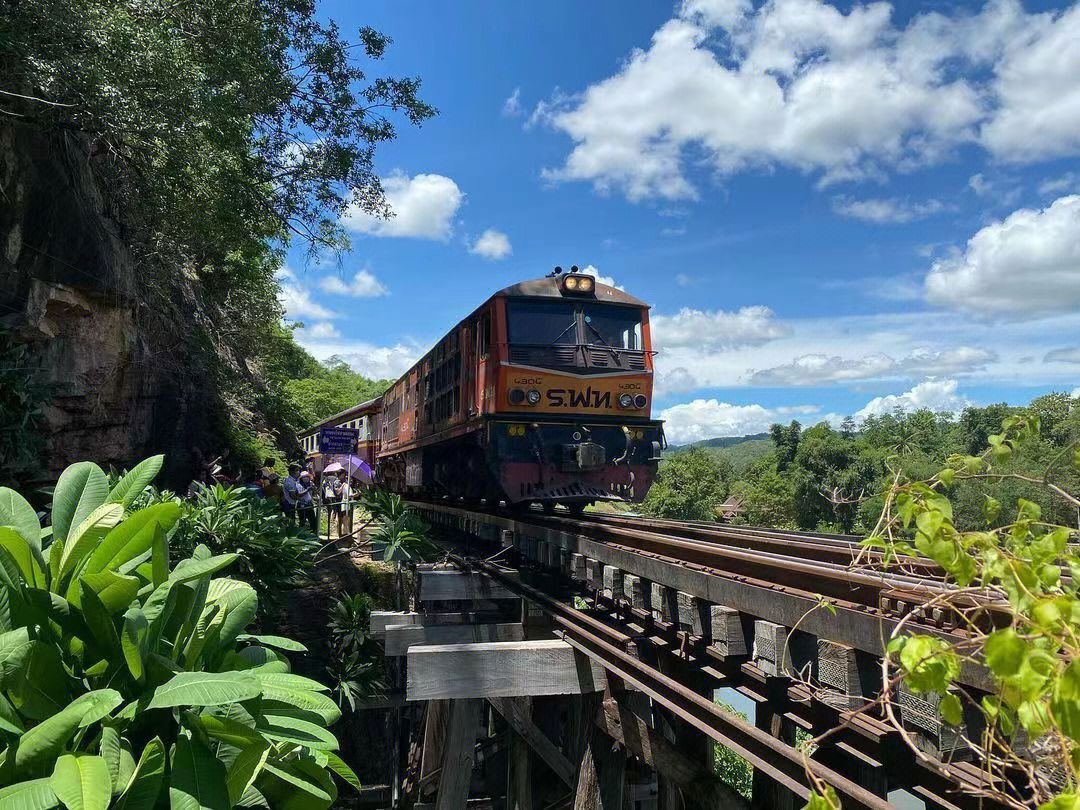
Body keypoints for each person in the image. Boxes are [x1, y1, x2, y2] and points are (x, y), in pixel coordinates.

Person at [335, 470, 353, 539]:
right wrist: (342, 486)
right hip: (338, 502)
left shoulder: (344, 483)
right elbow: (337, 492)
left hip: (343, 502)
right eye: (343, 475)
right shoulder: (337, 482)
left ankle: (344, 533)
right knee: (340, 519)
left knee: (345, 517)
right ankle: (340, 535)